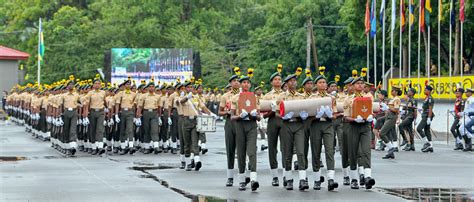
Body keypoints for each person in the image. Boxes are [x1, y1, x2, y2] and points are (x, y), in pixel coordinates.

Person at [343, 77, 376, 190]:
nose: (361, 85)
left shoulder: (368, 97)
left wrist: (371, 117)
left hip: (365, 126)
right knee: (353, 153)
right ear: (352, 86)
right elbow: (346, 117)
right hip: (354, 127)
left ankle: (367, 177)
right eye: (358, 83)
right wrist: (354, 119)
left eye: (362, 83)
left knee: (366, 152)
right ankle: (353, 179)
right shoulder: (348, 99)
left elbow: (371, 111)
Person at [230, 75, 261, 191]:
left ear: (250, 85)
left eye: (248, 82)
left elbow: (259, 117)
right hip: (240, 125)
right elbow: (231, 117)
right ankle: (242, 180)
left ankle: (253, 179)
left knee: (252, 151)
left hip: (251, 125)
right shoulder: (235, 98)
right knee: (241, 152)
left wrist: (255, 115)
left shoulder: (255, 97)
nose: (246, 84)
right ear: (240, 85)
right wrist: (239, 116)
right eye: (243, 82)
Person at [309, 75, 339, 191]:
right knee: (316, 151)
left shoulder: (331, 98)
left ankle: (331, 179)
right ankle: (317, 179)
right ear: (316, 85)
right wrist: (315, 116)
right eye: (320, 82)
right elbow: (308, 115)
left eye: (324, 82)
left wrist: (331, 115)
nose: (322, 84)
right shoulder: (312, 98)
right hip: (316, 125)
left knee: (329, 151)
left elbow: (335, 114)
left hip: (328, 125)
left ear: (326, 85)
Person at [278, 73, 306, 191]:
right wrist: (282, 116)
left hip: (299, 124)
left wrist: (305, 115)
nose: (293, 82)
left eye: (294, 80)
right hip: (286, 125)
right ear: (286, 83)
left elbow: (306, 109)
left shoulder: (301, 96)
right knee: (287, 153)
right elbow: (275, 112)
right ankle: (289, 179)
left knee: (300, 152)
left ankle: (302, 180)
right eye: (290, 81)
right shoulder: (281, 97)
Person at [261, 68, 284, 187]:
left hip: (284, 120)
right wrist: (272, 111)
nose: (278, 81)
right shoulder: (267, 96)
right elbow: (263, 114)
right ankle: (275, 176)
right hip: (273, 120)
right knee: (272, 148)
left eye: (279, 79)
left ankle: (286, 174)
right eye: (275, 79)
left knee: (285, 148)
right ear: (271, 82)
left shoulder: (286, 94)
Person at [218, 71, 241, 186]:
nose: (236, 83)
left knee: (242, 150)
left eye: (238, 81)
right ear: (230, 84)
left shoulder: (245, 94)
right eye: (234, 81)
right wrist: (226, 112)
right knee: (230, 149)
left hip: (241, 122)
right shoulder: (225, 96)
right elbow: (220, 111)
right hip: (230, 122)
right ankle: (230, 177)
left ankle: (244, 175)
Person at [380, 86, 402, 159]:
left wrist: (387, 107)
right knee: (388, 135)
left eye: (392, 90)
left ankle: (391, 148)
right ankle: (391, 153)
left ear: (396, 92)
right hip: (389, 116)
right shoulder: (393, 99)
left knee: (382, 133)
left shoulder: (397, 99)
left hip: (392, 117)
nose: (391, 91)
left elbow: (396, 109)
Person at [416, 85, 435, 153]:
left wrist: (429, 118)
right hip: (425, 114)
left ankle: (426, 143)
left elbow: (430, 109)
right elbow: (426, 107)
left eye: (425, 90)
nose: (424, 91)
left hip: (427, 115)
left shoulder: (430, 98)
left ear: (429, 91)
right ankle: (430, 146)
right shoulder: (426, 98)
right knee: (427, 130)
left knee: (419, 129)